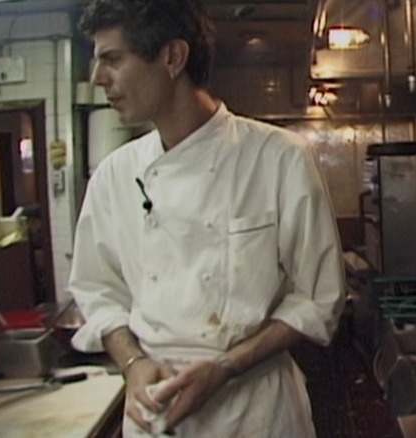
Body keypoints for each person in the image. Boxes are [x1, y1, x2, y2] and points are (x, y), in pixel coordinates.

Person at [68, 1, 346, 436]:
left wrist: (225, 367)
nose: (97, 78)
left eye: (112, 58)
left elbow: (317, 299)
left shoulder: (278, 158)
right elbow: (97, 290)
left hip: (254, 415)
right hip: (154, 414)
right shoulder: (114, 176)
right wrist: (134, 362)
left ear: (173, 58)